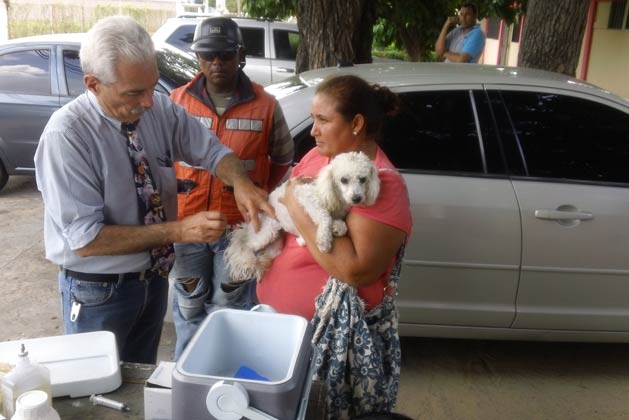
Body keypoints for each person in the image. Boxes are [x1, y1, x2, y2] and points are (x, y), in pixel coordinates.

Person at [34, 15, 273, 365]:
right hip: (98, 290)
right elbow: (86, 240)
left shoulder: (157, 108)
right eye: (134, 92)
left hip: (153, 279)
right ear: (92, 84)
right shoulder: (67, 136)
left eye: (151, 86)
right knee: (96, 392)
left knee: (138, 382)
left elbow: (212, 151)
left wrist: (241, 183)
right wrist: (179, 230)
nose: (148, 102)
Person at [168, 17, 294, 359]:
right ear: (198, 57)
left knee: (230, 307)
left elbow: (283, 160)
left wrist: (260, 193)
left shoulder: (266, 105)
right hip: (187, 227)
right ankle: (188, 374)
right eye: (208, 55)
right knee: (189, 306)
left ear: (240, 55)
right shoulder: (176, 101)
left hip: (240, 228)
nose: (216, 63)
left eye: (224, 55)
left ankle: (221, 373)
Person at [256, 74, 412, 322]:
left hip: (329, 335)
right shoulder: (318, 156)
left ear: (356, 123)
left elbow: (355, 270)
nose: (313, 130)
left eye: (323, 120)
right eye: (313, 119)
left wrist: (296, 206)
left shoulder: (379, 182)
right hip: (281, 320)